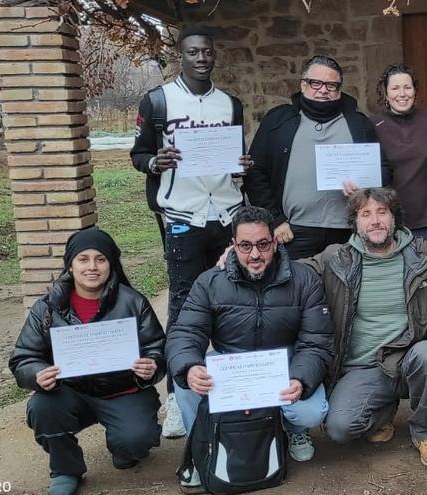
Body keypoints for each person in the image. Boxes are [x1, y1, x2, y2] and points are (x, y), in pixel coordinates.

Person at [129, 24, 252, 438]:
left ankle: (238, 384)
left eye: (208, 52)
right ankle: (178, 396)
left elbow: (236, 156)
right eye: (194, 52)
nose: (202, 58)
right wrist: (154, 162)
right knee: (183, 305)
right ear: (180, 55)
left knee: (235, 298)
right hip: (182, 216)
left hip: (226, 214)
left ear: (215, 56)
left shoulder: (230, 104)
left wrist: (242, 167)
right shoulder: (159, 100)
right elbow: (138, 153)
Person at [166, 206, 332, 491]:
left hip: (284, 363)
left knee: (311, 411)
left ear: (275, 242)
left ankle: (293, 431)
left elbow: (316, 340)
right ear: (233, 245)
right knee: (186, 384)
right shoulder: (210, 282)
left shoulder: (304, 280)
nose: (255, 254)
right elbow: (186, 331)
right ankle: (203, 443)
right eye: (245, 246)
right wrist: (190, 366)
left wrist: (300, 379)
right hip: (230, 362)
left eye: (263, 244)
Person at [301, 187, 427, 470]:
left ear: (394, 218)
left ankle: (424, 431)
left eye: (382, 212)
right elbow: (292, 274)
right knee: (339, 428)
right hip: (363, 367)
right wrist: (241, 256)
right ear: (355, 222)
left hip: (411, 357)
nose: (375, 220)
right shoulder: (336, 260)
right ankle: (383, 412)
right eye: (366, 214)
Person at [9, 228, 166, 495]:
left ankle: (122, 445)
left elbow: (157, 348)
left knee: (136, 438)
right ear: (70, 264)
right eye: (83, 259)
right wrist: (36, 374)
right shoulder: (47, 308)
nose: (92, 267)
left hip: (122, 391)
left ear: (111, 264)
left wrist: (151, 365)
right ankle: (66, 469)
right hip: (71, 391)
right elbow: (24, 356)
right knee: (42, 408)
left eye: (100, 259)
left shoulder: (133, 302)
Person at [246, 55, 390, 260]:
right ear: (303, 85)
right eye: (316, 83)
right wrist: (275, 220)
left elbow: (383, 169)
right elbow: (255, 172)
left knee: (345, 291)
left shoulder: (358, 123)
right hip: (293, 231)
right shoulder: (278, 121)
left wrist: (365, 186)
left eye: (331, 85)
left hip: (348, 230)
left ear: (339, 89)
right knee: (296, 290)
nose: (323, 90)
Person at [369, 64, 427, 241]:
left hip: (425, 219)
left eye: (407, 87)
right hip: (386, 220)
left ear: (415, 91)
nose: (402, 94)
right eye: (395, 88)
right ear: (385, 93)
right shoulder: (372, 125)